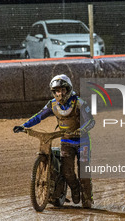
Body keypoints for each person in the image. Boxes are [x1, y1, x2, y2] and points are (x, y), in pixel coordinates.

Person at [13, 74, 95, 208]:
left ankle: (87, 198)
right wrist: (24, 125)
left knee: (84, 172)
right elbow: (39, 116)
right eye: (57, 91)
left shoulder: (79, 102)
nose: (60, 93)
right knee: (66, 171)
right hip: (66, 141)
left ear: (68, 89)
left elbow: (91, 121)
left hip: (83, 142)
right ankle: (75, 189)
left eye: (62, 90)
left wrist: (82, 130)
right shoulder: (52, 105)